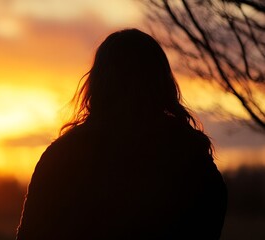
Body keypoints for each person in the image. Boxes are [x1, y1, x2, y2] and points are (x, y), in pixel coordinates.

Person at [16, 29, 227, 240]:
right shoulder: (189, 154)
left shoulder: (63, 155)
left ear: (99, 83)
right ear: (162, 83)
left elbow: (30, 233)